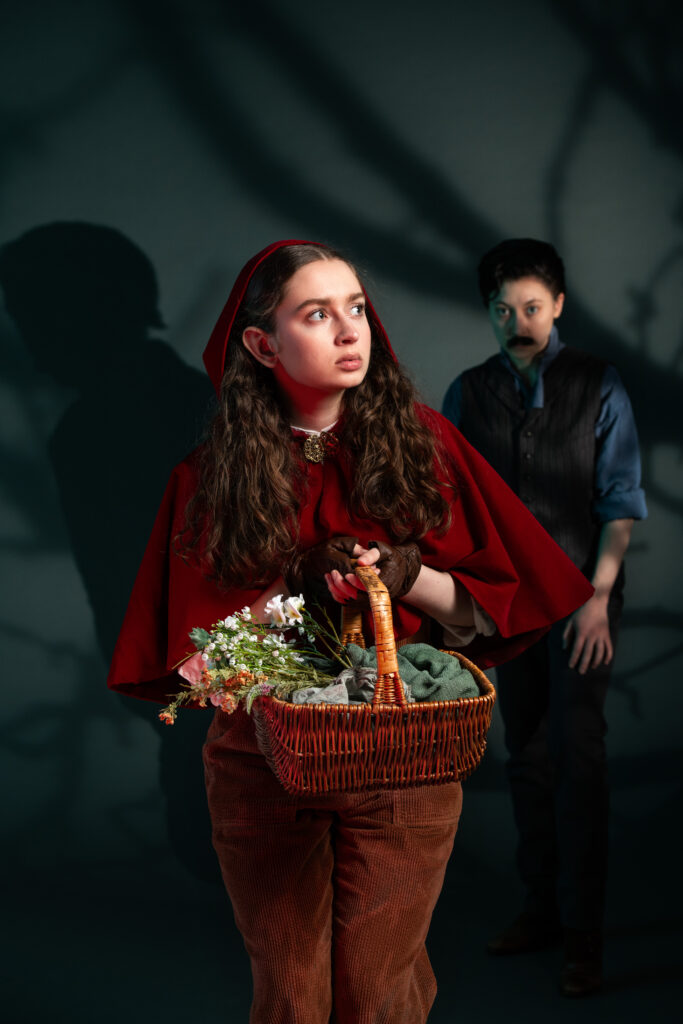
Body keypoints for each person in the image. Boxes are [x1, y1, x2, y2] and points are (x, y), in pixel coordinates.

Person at [108, 239, 593, 1023]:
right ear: (263, 345)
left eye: (357, 308)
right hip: (264, 768)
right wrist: (290, 593)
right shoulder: (205, 480)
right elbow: (201, 669)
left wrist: (407, 575)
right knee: (292, 997)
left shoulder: (426, 445)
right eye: (317, 314)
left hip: (403, 757)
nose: (349, 331)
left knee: (377, 997)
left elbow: (490, 605)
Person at [442, 238, 647, 998]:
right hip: (501, 606)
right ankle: (539, 912)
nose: (517, 322)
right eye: (502, 310)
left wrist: (597, 599)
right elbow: (452, 504)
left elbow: (619, 501)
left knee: (578, 757)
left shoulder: (598, 383)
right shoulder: (467, 392)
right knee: (524, 755)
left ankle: (584, 937)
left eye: (531, 307)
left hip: (579, 600)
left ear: (557, 305)